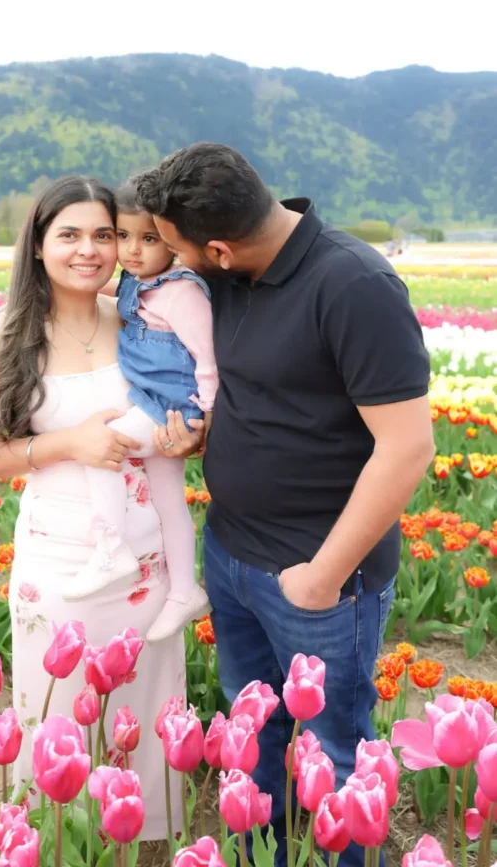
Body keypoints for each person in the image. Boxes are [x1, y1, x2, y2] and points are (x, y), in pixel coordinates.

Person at [134, 143, 434, 867]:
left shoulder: (353, 284)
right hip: (232, 553)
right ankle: (254, 854)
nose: (167, 262)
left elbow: (407, 447)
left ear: (218, 247)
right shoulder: (230, 274)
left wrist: (324, 575)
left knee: (334, 749)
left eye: (173, 249)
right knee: (249, 730)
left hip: (317, 576)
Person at [0, 176, 186, 840]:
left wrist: (185, 435)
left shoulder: (138, 317)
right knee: (60, 714)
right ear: (37, 245)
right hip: (60, 559)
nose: (90, 250)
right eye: (71, 235)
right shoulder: (5, 335)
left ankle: (139, 843)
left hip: (147, 558)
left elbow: (178, 408)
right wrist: (67, 444)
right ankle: (56, 843)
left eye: (104, 235)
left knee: (140, 715)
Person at [63, 178, 215, 643]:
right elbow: (118, 292)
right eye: (123, 237)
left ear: (172, 241)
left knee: (103, 446)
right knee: (171, 503)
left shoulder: (182, 293)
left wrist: (207, 419)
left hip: (174, 409)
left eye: (148, 239)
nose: (132, 251)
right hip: (152, 402)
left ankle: (110, 547)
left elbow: (209, 360)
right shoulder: (138, 282)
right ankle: (186, 591)